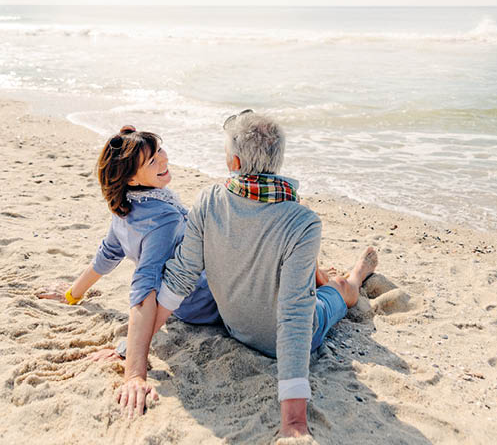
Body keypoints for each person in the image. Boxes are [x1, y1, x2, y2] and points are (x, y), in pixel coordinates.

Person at [119, 111, 378, 437]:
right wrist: (293, 422)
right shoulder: (303, 222)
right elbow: (296, 316)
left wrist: (132, 356)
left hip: (235, 328)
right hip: (293, 338)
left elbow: (177, 282)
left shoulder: (208, 201)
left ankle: (331, 276)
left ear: (235, 162)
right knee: (339, 290)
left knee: (306, 275)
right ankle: (354, 279)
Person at [37, 125, 220, 380]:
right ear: (132, 178)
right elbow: (145, 287)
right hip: (204, 302)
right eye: (153, 160)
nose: (164, 158)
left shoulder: (128, 205)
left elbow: (107, 254)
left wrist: (72, 294)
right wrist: (131, 364)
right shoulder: (163, 218)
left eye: (160, 151)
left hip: (187, 302)